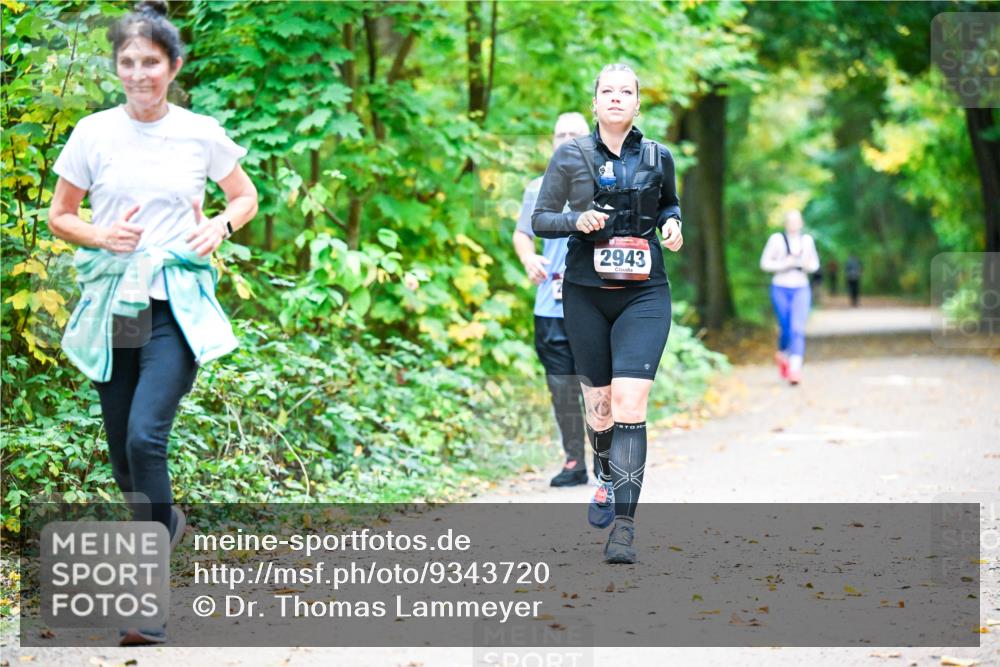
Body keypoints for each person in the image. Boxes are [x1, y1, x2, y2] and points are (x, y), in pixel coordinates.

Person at [47, 0, 258, 645]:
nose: (138, 73)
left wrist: (219, 225)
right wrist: (100, 234)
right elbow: (61, 216)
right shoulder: (92, 133)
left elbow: (244, 196)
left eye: (151, 63)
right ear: (118, 67)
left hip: (176, 305)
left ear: (174, 66)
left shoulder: (200, 132)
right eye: (127, 62)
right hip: (116, 305)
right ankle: (166, 523)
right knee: (121, 459)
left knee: (146, 440)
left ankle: (148, 600)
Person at [532, 64, 683, 564]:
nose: (616, 98)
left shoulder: (658, 155)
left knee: (629, 403)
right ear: (594, 101)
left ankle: (623, 525)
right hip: (585, 293)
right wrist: (578, 219)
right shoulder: (570, 156)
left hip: (644, 294)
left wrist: (672, 225)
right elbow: (541, 219)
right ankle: (602, 468)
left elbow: (669, 206)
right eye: (607, 91)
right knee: (599, 410)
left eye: (627, 92)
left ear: (638, 103)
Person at [513, 112, 593, 487]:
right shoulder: (536, 187)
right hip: (550, 304)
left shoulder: (603, 184)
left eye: (574, 133)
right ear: (552, 142)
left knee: (596, 385)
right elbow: (522, 234)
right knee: (561, 386)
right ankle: (575, 460)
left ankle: (607, 461)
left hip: (594, 301)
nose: (566, 139)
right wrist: (528, 257)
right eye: (560, 134)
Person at [759, 210, 820, 385]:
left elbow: (815, 264)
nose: (794, 225)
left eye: (797, 221)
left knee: (797, 328)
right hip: (780, 287)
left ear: (801, 223)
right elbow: (764, 263)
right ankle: (782, 352)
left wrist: (806, 265)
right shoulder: (776, 240)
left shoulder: (807, 241)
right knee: (785, 327)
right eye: (790, 221)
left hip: (801, 287)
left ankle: (795, 369)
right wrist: (784, 264)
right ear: (786, 224)